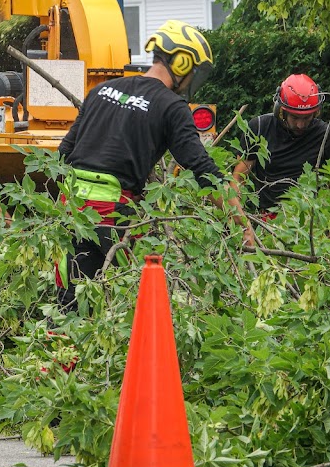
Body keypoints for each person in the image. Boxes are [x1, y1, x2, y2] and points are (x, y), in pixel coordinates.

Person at [55, 20, 226, 307]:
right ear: (183, 62)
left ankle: (57, 348)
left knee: (69, 299)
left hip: (70, 208)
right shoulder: (171, 106)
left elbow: (63, 155)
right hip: (111, 213)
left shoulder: (102, 90)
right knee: (118, 301)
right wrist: (242, 224)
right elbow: (202, 169)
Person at [229, 73, 330, 246]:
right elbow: (237, 179)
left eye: (306, 118)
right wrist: (239, 219)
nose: (300, 125)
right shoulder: (260, 128)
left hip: (310, 223)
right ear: (280, 110)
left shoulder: (326, 136)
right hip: (267, 219)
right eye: (295, 117)